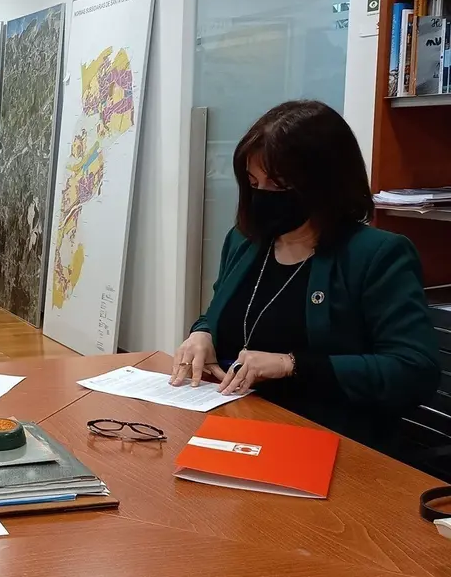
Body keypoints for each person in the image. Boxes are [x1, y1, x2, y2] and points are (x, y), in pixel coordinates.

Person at [171, 100, 438, 451]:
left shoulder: (376, 255)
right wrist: (202, 333)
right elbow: (221, 313)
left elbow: (413, 370)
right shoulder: (244, 241)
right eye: (254, 183)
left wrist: (292, 365)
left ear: (325, 184)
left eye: (279, 185)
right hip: (238, 425)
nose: (263, 196)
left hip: (330, 442)